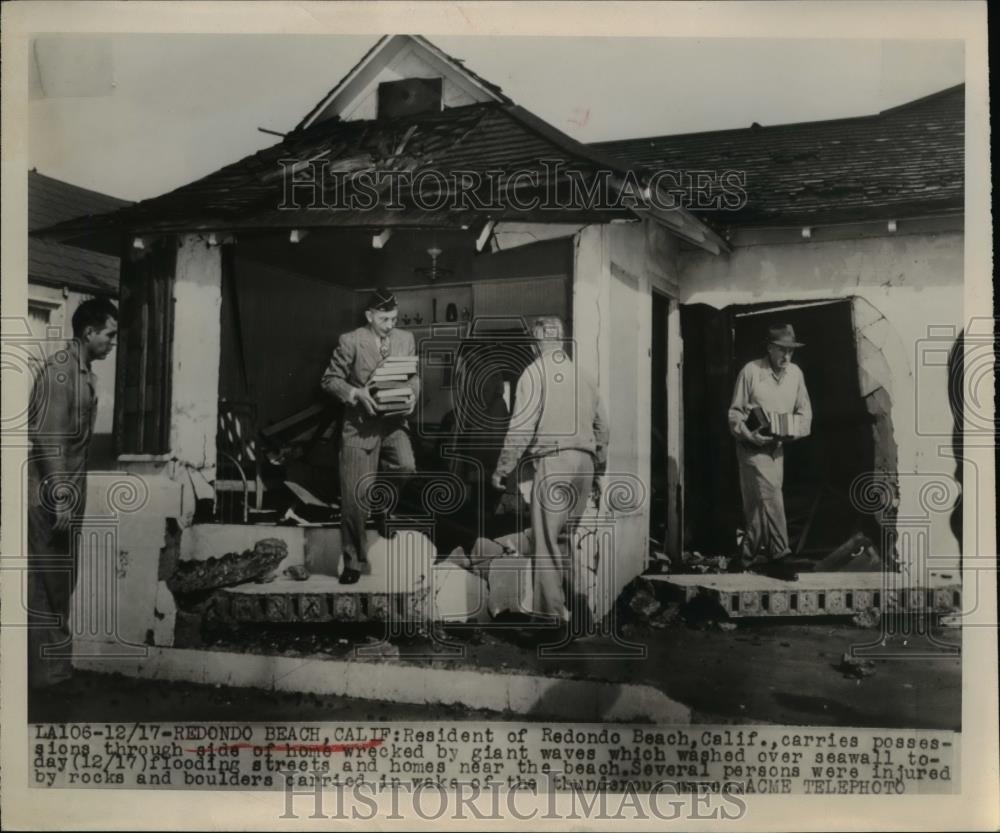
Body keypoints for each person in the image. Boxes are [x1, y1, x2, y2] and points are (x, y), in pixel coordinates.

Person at [491, 316, 609, 632]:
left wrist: (502, 469)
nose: (531, 346)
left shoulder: (535, 372)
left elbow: (520, 427)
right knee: (565, 541)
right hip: (583, 464)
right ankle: (582, 616)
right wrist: (598, 467)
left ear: (539, 338)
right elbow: (602, 427)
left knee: (545, 542)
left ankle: (549, 619)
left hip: (555, 462)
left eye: (532, 340)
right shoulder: (583, 375)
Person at [27, 297, 118, 689]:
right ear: (88, 332)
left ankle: (54, 672)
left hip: (69, 495)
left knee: (61, 582)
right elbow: (48, 440)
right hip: (52, 497)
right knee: (46, 583)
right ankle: (44, 677)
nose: (112, 343)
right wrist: (62, 497)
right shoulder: (60, 373)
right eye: (109, 335)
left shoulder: (83, 375)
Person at [321, 288, 419, 585]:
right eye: (384, 318)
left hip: (393, 424)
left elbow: (413, 376)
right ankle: (353, 561)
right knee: (353, 498)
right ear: (369, 316)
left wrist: (413, 394)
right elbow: (329, 380)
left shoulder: (406, 339)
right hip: (360, 426)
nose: (391, 324)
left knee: (406, 466)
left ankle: (382, 505)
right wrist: (355, 393)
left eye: (394, 318)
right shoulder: (351, 341)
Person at [728, 323, 812, 579]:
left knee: (758, 504)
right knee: (772, 494)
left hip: (777, 447)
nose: (787, 357)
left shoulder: (795, 374)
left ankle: (745, 557)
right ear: (769, 348)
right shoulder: (751, 371)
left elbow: (805, 412)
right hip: (752, 446)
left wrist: (793, 433)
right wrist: (748, 434)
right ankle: (780, 554)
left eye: (791, 351)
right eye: (781, 351)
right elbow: (735, 413)